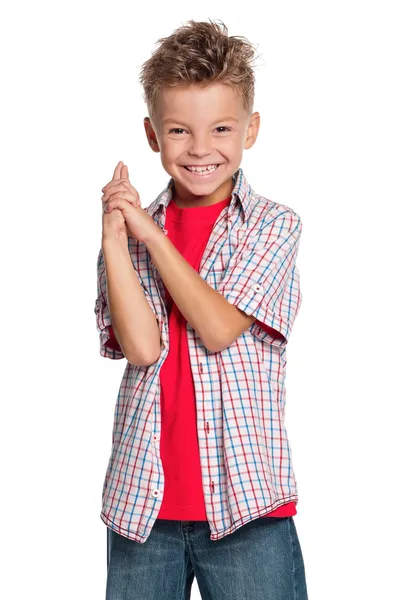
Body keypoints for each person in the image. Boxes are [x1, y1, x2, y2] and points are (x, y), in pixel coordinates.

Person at [95, 18, 309, 600]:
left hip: (247, 514)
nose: (200, 149)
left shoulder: (271, 226)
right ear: (152, 134)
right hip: (144, 511)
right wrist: (117, 240)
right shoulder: (133, 232)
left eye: (220, 128)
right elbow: (141, 349)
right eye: (179, 130)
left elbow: (217, 328)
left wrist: (152, 238)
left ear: (250, 129)